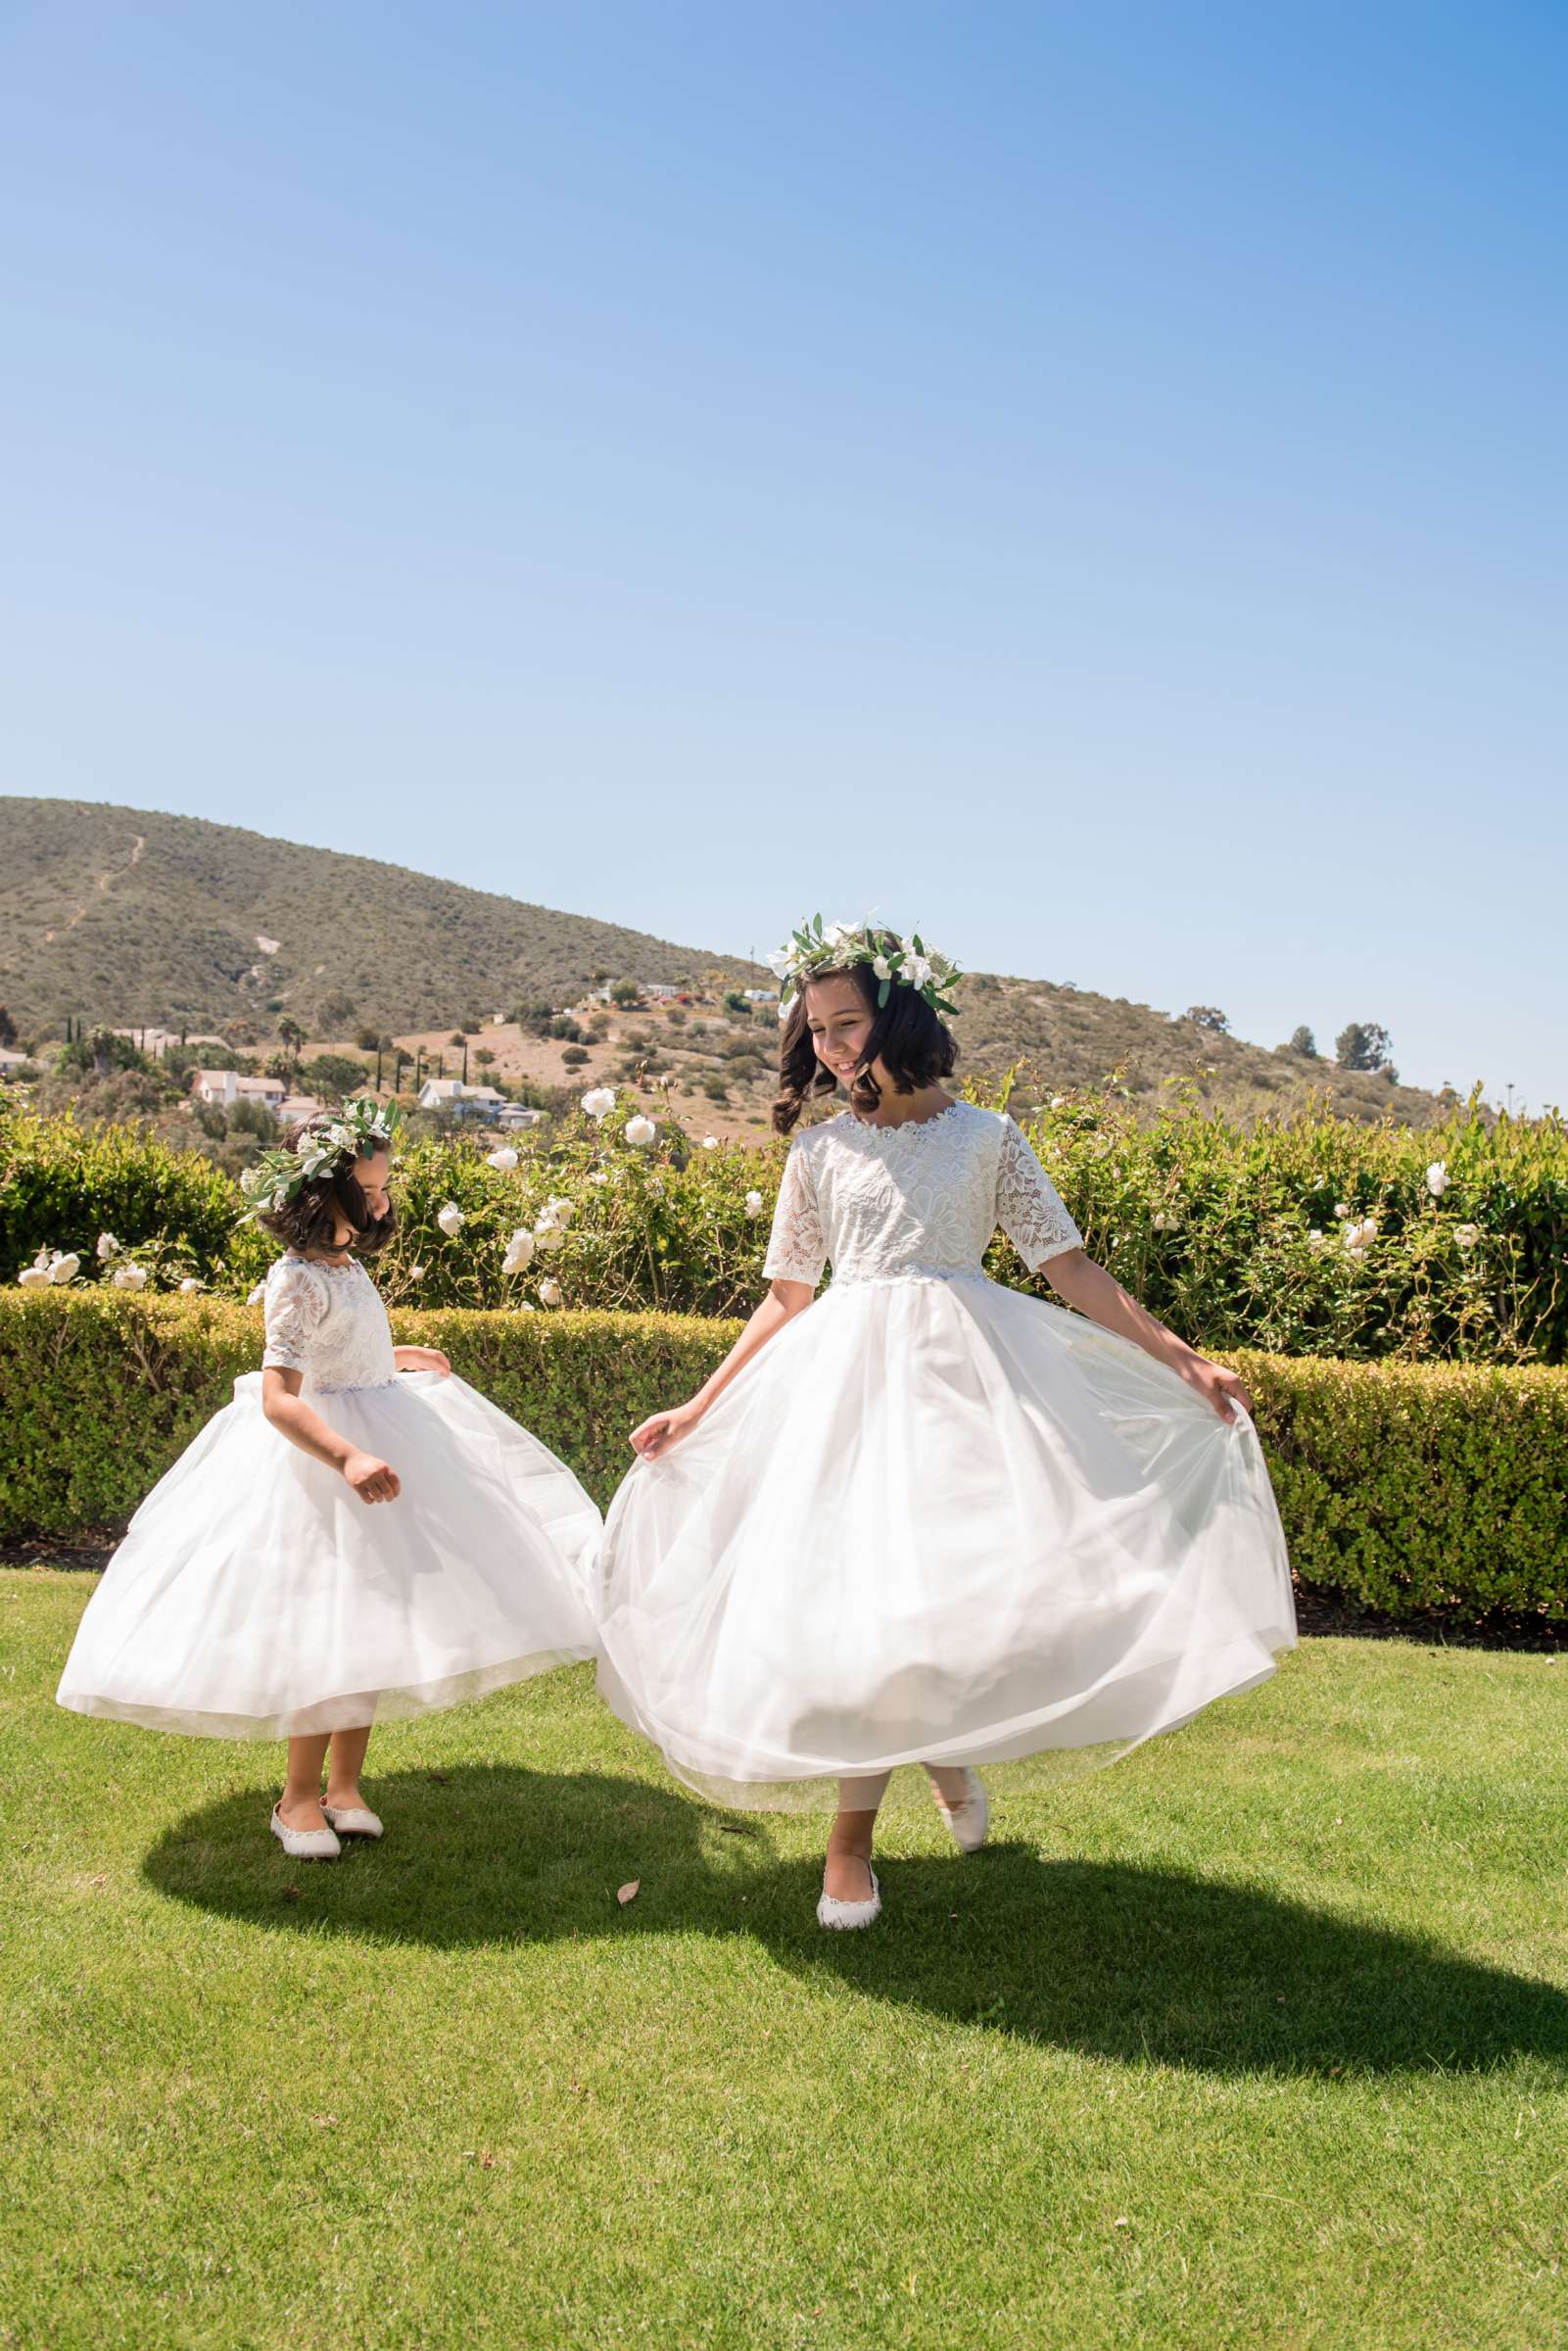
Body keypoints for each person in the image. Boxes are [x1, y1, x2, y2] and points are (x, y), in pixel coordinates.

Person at [594, 921, 1296, 1929]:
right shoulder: (821, 1150)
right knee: (860, 1601)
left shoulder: (987, 1138)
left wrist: (1180, 1358)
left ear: (900, 1016)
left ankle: (889, 1809)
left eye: (847, 1024)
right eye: (815, 1030)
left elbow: (1069, 1268)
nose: (830, 1047)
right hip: (839, 1388)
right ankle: (897, 1807)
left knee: (936, 1592)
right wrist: (701, 1405)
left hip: (966, 1386)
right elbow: (787, 1295)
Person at [58, 1096, 600, 1858]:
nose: (381, 1202)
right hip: (320, 1466)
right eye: (369, 1189)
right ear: (324, 1195)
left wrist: (397, 1357)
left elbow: (345, 1354)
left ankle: (345, 1786)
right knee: (323, 1629)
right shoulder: (296, 1279)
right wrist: (346, 1455)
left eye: (383, 1189)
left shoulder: (343, 1268)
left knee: (370, 1621)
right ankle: (298, 1796)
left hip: (383, 1428)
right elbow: (281, 1395)